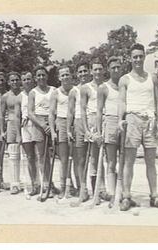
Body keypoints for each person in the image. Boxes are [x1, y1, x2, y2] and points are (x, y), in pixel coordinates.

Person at [118, 43, 158, 210]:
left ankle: (154, 197)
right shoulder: (125, 79)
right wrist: (120, 119)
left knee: (151, 162)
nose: (138, 59)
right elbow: (122, 101)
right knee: (129, 161)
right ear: (130, 59)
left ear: (145, 56)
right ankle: (126, 196)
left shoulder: (152, 78)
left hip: (150, 122)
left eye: (140, 56)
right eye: (135, 57)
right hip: (132, 120)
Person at [80, 58, 108, 204]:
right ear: (91, 71)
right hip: (92, 121)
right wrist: (86, 130)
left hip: (106, 121)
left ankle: (103, 190)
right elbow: (83, 111)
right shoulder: (85, 88)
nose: (97, 72)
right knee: (94, 159)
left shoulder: (107, 86)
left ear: (104, 70)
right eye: (95, 69)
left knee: (107, 158)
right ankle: (95, 192)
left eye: (100, 69)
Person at [28, 65, 59, 199]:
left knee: (58, 154)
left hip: (54, 120)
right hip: (38, 123)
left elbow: (59, 107)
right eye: (38, 75)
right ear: (35, 78)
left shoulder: (54, 90)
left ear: (47, 76)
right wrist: (42, 125)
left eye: (43, 75)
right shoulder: (33, 92)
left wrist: (52, 124)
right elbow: (30, 113)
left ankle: (58, 184)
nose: (41, 77)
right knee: (42, 156)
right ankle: (46, 184)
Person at [97, 56, 123, 205]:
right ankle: (112, 194)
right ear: (108, 69)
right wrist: (99, 132)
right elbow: (99, 111)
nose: (116, 70)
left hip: (124, 123)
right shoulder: (103, 87)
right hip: (111, 123)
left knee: (125, 161)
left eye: (118, 67)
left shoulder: (125, 85)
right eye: (113, 67)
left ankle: (123, 193)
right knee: (111, 162)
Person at [49, 65, 76, 199]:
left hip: (75, 123)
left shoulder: (76, 90)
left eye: (67, 74)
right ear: (59, 78)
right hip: (61, 123)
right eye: (63, 75)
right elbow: (51, 114)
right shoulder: (56, 93)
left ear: (71, 75)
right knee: (64, 159)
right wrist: (53, 131)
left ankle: (73, 187)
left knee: (75, 158)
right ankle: (63, 188)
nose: (65, 77)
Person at [67, 61, 90, 202]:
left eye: (85, 71)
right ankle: (83, 188)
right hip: (79, 124)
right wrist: (69, 128)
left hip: (92, 123)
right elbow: (70, 112)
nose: (83, 74)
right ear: (77, 74)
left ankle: (101, 189)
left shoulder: (96, 87)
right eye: (80, 72)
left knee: (94, 159)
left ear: (89, 72)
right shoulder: (74, 91)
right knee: (80, 159)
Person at [0, 71, 22, 195]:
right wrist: (2, 131)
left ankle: (35, 183)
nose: (14, 82)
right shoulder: (5, 97)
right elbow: (2, 115)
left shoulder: (26, 94)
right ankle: (15, 184)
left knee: (31, 155)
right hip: (11, 124)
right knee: (13, 155)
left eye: (16, 79)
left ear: (20, 81)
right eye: (12, 80)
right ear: (9, 82)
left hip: (25, 124)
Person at [19, 71, 39, 196]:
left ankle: (47, 184)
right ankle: (34, 184)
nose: (27, 81)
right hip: (26, 128)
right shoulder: (20, 96)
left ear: (33, 80)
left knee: (42, 156)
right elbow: (16, 114)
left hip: (38, 126)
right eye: (25, 79)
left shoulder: (37, 92)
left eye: (29, 78)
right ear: (22, 81)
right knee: (30, 157)